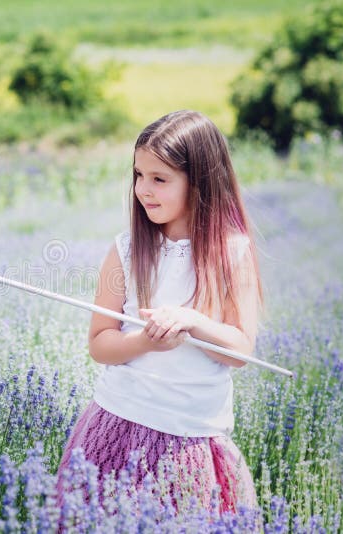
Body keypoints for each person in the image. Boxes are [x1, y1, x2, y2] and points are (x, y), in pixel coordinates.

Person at [57, 110, 261, 518]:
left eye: (159, 179)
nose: (143, 190)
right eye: (138, 176)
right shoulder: (126, 251)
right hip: (117, 423)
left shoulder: (232, 254)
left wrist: (195, 322)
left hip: (192, 437)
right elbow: (100, 342)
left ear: (200, 182)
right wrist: (144, 342)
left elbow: (240, 350)